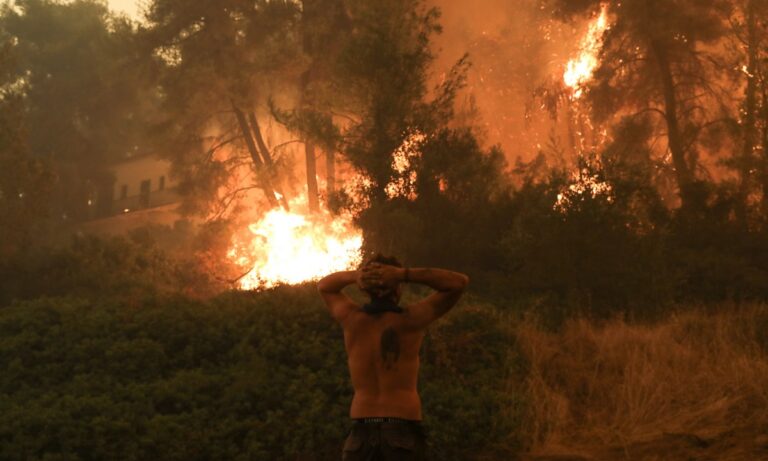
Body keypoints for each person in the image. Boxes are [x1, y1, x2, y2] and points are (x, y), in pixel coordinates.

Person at [318, 254, 469, 460]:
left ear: (365, 289)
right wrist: (403, 274)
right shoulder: (411, 319)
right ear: (398, 288)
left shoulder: (351, 319)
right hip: (401, 428)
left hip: (361, 434)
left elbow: (325, 286)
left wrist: (357, 275)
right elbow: (458, 283)